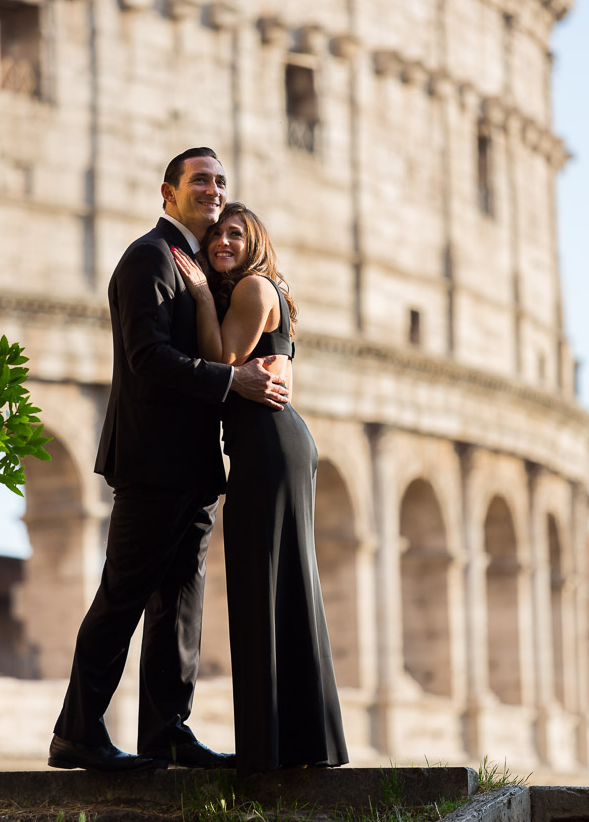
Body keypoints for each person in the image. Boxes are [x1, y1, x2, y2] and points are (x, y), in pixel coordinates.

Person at [48, 149, 289, 772]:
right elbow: (145, 356)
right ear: (168, 192)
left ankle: (168, 731)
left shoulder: (200, 263)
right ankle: (77, 731)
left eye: (219, 181)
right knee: (124, 594)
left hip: (193, 462)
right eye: (199, 181)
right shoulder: (149, 256)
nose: (212, 190)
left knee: (180, 602)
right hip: (152, 462)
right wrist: (229, 385)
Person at [172, 202, 349, 775]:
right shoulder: (259, 288)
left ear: (256, 242)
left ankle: (265, 752)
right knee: (282, 583)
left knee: (259, 585)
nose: (221, 240)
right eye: (217, 232)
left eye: (235, 233)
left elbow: (220, 361)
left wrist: (200, 297)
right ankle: (296, 743)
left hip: (269, 448)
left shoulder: (250, 288)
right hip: (274, 445)